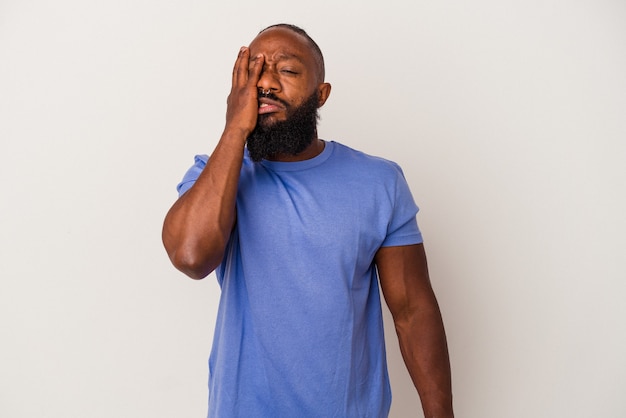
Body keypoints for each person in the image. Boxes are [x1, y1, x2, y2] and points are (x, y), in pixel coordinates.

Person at [162, 23, 454, 418]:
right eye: (254, 70)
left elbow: (413, 312)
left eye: (286, 70)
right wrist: (235, 127)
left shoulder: (378, 182)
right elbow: (191, 255)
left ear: (321, 94)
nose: (265, 83)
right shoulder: (214, 176)